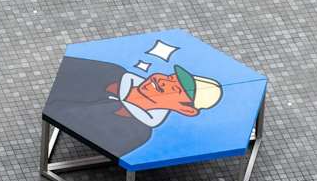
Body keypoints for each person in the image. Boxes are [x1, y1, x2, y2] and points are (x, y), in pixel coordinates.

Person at [44, 59, 223, 158]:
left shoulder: (138, 132)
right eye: (170, 77)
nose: (161, 81)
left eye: (174, 88)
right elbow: (67, 68)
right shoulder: (112, 71)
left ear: (187, 110)